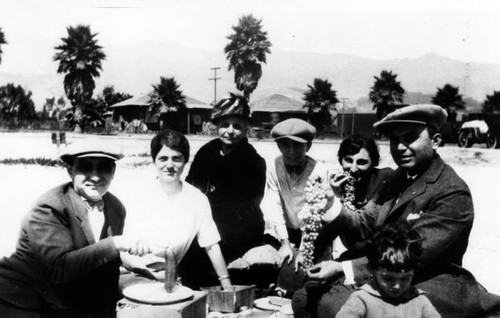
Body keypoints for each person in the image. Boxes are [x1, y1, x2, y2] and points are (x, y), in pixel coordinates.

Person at [292, 104, 500, 317]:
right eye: (394, 139)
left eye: (410, 138)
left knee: (336, 305)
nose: (400, 147)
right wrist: (332, 203)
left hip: (425, 279)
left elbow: (413, 252)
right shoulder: (396, 178)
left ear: (436, 141)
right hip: (384, 272)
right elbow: (366, 223)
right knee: (303, 296)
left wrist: (343, 269)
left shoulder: (452, 191)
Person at [0, 139, 149, 317]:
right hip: (24, 300)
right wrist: (116, 244)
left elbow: (103, 267)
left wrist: (131, 264)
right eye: (85, 167)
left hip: (68, 299)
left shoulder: (116, 207)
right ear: (70, 171)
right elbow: (59, 268)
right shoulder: (49, 206)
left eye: (104, 167)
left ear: (114, 171)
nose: (95, 176)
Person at [124, 130, 232, 290]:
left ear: (185, 161)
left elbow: (211, 245)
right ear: (154, 161)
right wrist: (149, 273)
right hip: (132, 274)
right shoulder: (139, 194)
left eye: (176, 158)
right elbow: (124, 252)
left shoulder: (197, 199)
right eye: (163, 158)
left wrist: (227, 285)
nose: (169, 165)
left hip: (170, 278)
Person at [183, 93, 267, 287]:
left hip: (239, 226)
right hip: (206, 220)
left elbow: (247, 206)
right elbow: (190, 187)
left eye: (237, 126)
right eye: (225, 125)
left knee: (200, 249)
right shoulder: (206, 152)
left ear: (247, 128)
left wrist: (206, 210)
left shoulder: (253, 162)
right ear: (217, 126)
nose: (230, 131)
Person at [260, 118, 335, 295]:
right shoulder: (274, 166)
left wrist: (303, 249)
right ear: (278, 146)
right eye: (285, 145)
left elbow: (315, 214)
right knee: (282, 273)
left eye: (298, 146)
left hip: (316, 233)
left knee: (308, 277)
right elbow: (274, 202)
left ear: (308, 146)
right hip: (288, 232)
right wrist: (285, 243)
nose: (291, 152)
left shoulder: (319, 171)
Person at [336, 222, 440, 318]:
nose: (397, 286)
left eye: (405, 279)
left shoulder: (418, 301)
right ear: (373, 270)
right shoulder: (362, 299)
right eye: (388, 278)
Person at [330, 135, 393, 212]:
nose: (353, 169)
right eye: (349, 161)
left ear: (373, 162)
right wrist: (337, 195)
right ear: (340, 160)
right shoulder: (337, 184)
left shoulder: (385, 179)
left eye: (361, 162)